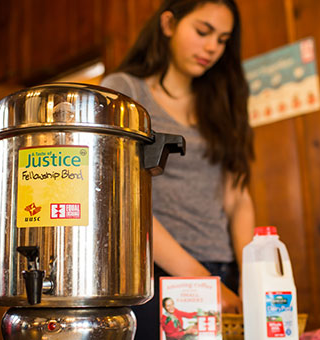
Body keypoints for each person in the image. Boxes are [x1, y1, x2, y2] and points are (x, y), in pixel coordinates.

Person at [100, 0, 255, 338]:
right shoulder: (126, 91)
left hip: (223, 273)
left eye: (223, 39)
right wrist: (199, 280)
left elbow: (237, 198)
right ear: (168, 24)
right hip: (153, 275)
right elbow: (119, 196)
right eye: (203, 32)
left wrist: (251, 278)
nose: (212, 47)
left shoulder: (223, 103)